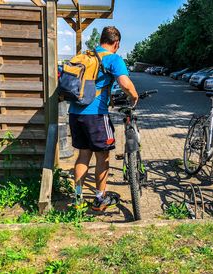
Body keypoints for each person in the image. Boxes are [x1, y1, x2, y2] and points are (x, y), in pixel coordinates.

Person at [69, 26, 139, 211]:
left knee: (83, 155)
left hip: (75, 114)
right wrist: (134, 96)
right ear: (116, 43)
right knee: (103, 157)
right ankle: (100, 199)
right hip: (96, 115)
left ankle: (78, 199)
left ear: (101, 40)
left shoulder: (87, 56)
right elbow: (124, 83)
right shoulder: (113, 58)